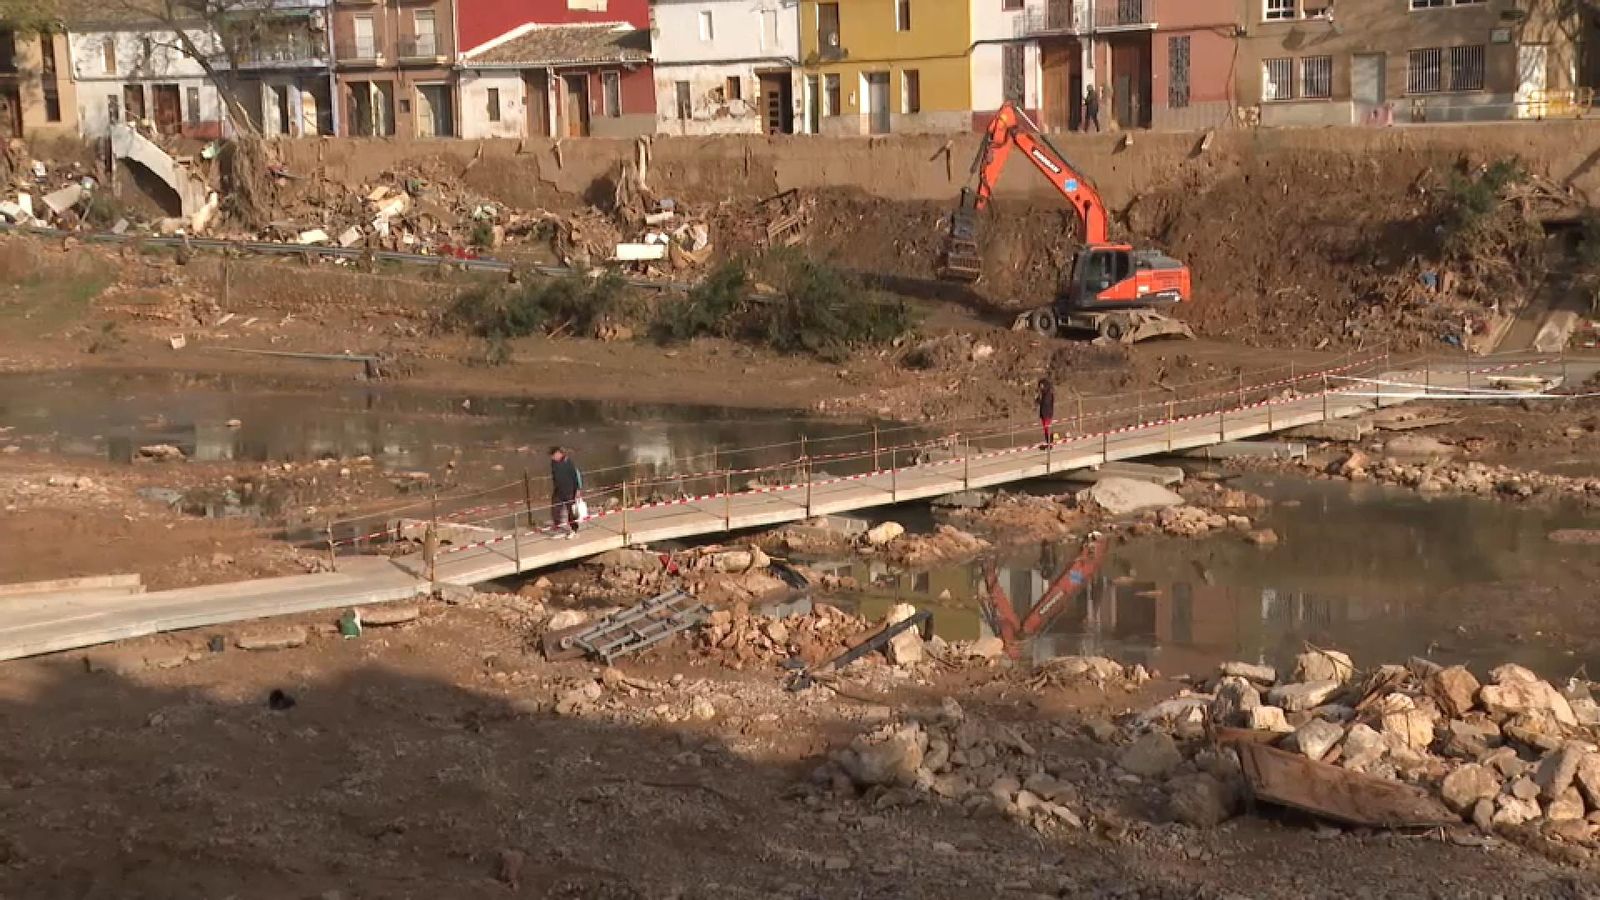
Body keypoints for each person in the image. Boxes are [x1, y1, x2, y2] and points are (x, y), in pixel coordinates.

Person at [549, 446, 583, 539]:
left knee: (571, 511)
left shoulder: (568, 462)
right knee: (555, 509)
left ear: (559, 454)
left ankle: (574, 530)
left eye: (553, 455)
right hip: (558, 490)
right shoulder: (553, 463)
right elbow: (555, 477)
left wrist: (578, 490)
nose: (552, 457)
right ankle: (558, 526)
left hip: (569, 491)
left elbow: (575, 476)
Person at [1036, 378, 1055, 447]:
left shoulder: (1048, 393)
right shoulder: (1043, 393)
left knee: (1047, 428)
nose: (1040, 387)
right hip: (1044, 413)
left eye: (1041, 385)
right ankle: (1048, 442)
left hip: (1047, 413)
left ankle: (1050, 442)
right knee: (1045, 428)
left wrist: (1040, 401)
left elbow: (1046, 402)